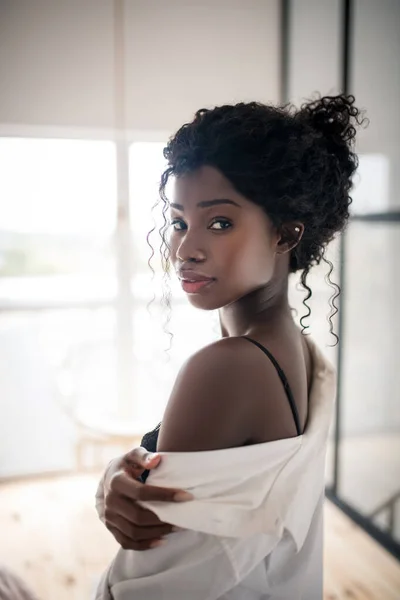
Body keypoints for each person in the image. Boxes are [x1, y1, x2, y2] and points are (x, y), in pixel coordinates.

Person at [94, 95, 364, 599]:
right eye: (179, 221)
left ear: (285, 234)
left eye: (219, 223)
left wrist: (113, 492)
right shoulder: (296, 352)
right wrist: (123, 471)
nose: (186, 248)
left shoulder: (229, 367)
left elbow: (144, 582)